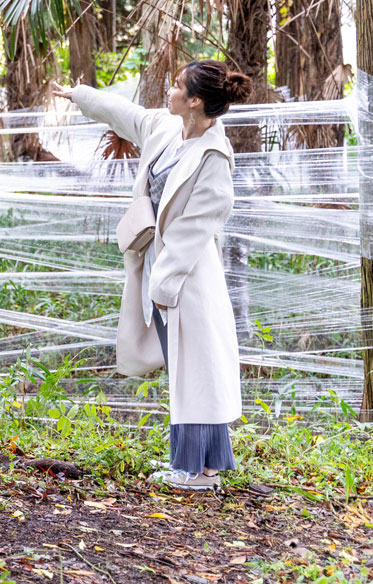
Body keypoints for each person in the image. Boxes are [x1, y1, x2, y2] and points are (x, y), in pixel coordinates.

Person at [52, 61, 252, 490]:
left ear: (195, 101)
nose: (170, 90)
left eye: (178, 86)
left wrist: (165, 284)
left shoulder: (213, 156)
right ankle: (209, 465)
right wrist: (81, 95)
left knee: (193, 373)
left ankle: (192, 471)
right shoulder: (167, 130)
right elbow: (128, 114)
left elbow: (195, 227)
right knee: (193, 371)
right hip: (161, 272)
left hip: (188, 281)